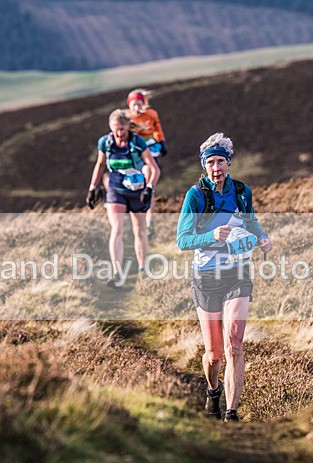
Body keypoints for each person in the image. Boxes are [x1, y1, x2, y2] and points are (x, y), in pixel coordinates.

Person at [176, 133, 272, 422]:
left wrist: (262, 238)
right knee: (215, 353)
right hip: (206, 276)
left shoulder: (242, 191)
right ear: (204, 166)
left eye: (220, 161)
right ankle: (213, 389)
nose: (216, 167)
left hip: (238, 272)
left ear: (228, 163)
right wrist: (211, 235)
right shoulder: (196, 195)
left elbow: (250, 221)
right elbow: (182, 240)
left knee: (234, 344)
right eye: (210, 162)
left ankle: (232, 412)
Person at [87, 109, 160, 286]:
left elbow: (155, 169)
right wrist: (92, 187)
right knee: (117, 228)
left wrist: (149, 189)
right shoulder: (105, 143)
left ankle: (143, 270)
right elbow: (100, 164)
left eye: (122, 129)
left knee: (139, 230)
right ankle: (117, 273)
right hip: (115, 190)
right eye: (116, 129)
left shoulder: (137, 142)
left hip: (137, 190)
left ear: (128, 127)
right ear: (111, 128)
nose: (119, 133)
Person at [126, 89, 167, 234]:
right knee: (134, 187)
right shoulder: (126, 118)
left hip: (149, 152)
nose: (137, 107)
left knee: (148, 186)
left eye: (139, 104)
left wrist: (161, 141)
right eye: (134, 104)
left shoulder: (151, 114)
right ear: (129, 105)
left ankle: (149, 223)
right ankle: (135, 222)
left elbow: (157, 128)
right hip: (133, 156)